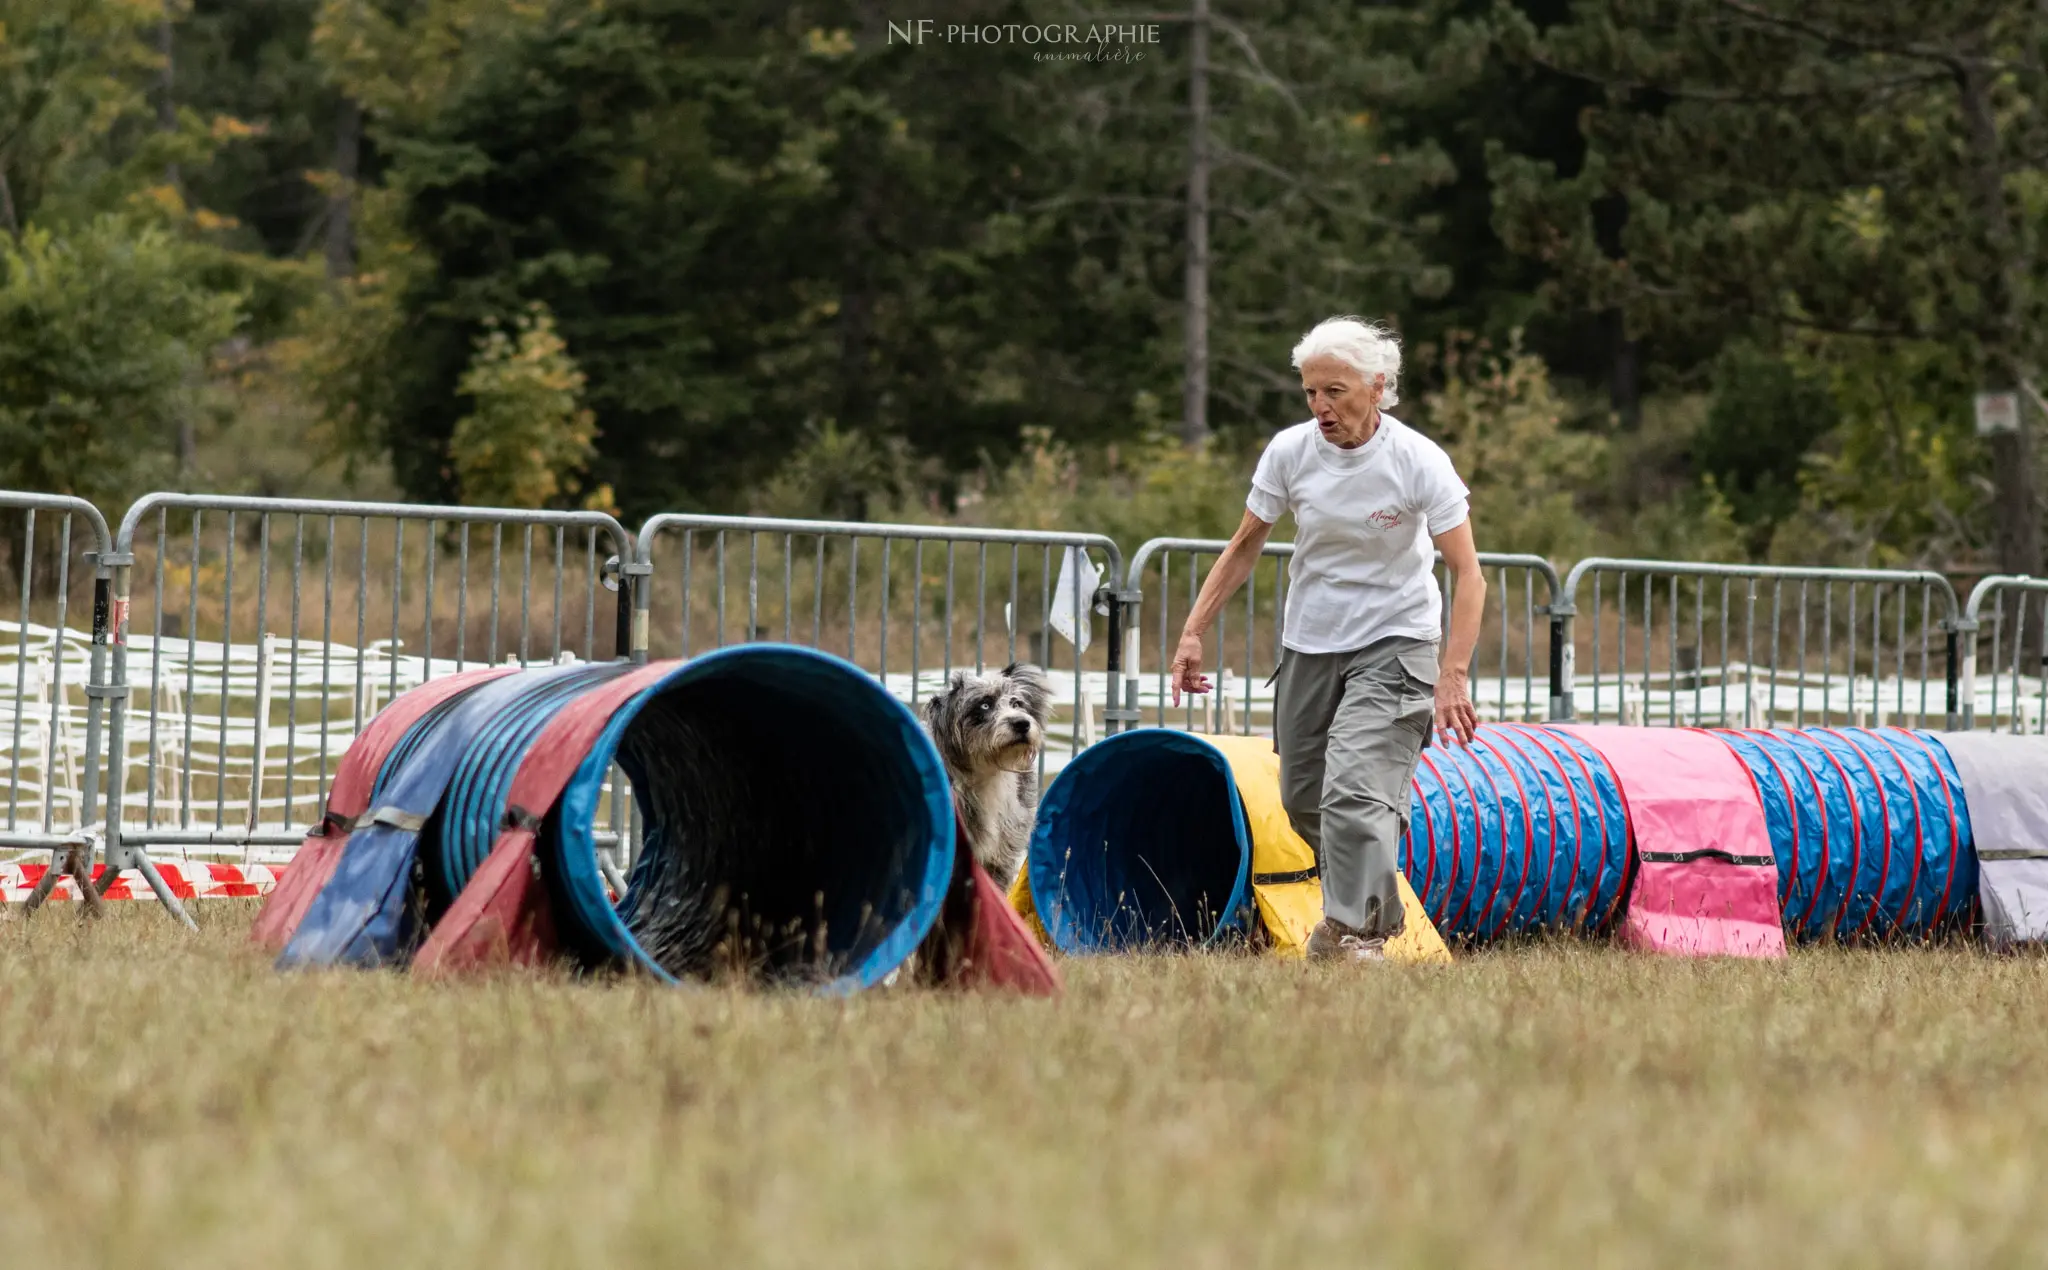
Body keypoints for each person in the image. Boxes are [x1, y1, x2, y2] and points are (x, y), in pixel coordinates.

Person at [1170, 316, 1484, 963]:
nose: (1321, 407)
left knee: (1352, 793)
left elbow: (1468, 572)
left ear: (1377, 386)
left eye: (1335, 391)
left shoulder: (1417, 459)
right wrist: (1192, 633)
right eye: (1311, 392)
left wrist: (1452, 674)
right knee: (1303, 798)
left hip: (1397, 640)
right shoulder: (1290, 451)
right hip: (1311, 642)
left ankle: (1360, 932)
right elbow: (1245, 543)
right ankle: (1361, 898)